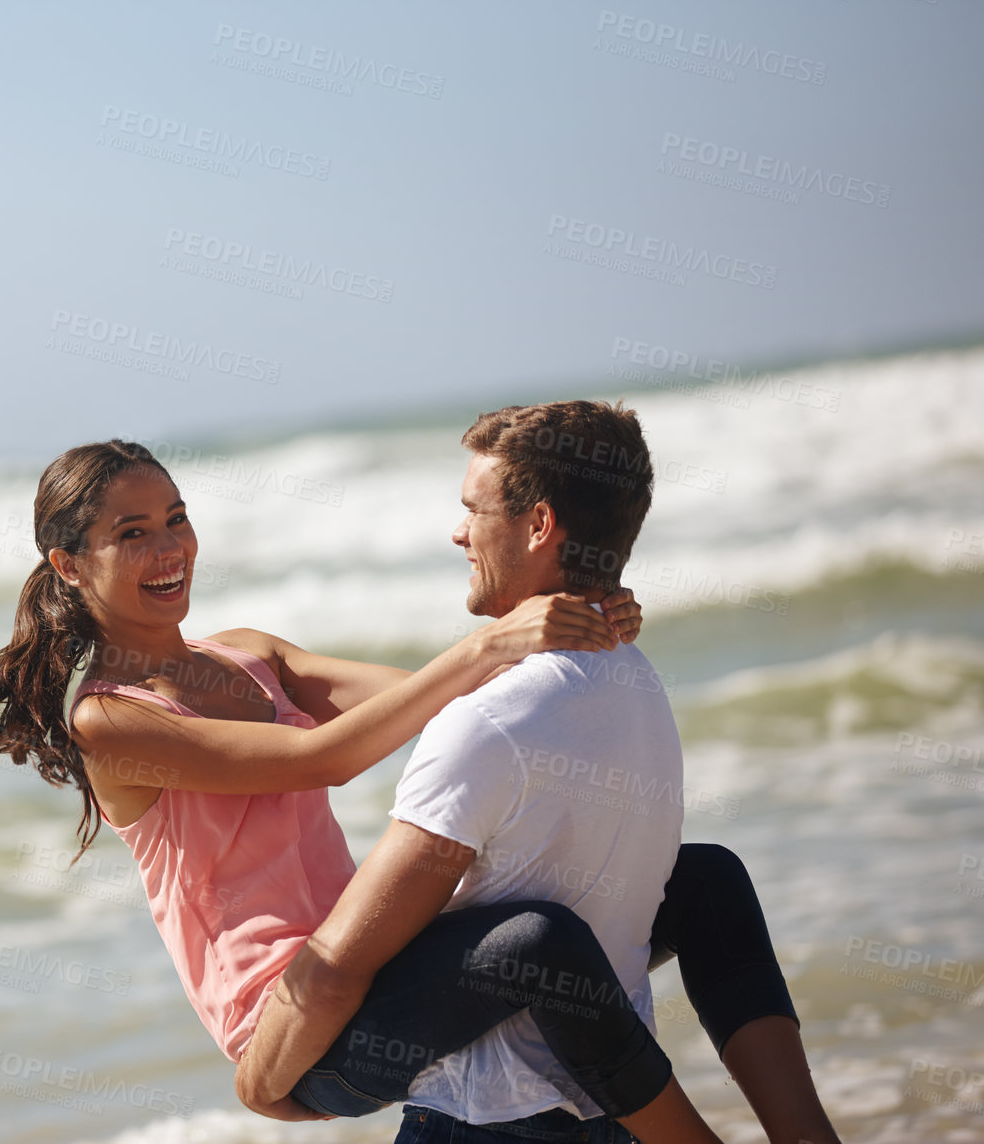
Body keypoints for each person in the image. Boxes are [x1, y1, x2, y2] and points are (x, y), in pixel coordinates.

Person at [0, 426, 837, 1142]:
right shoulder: (109, 720)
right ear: (70, 563)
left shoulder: (250, 654)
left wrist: (576, 617)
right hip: (299, 1022)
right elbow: (325, 758)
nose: (169, 547)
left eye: (176, 517)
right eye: (130, 533)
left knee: (707, 878)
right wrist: (488, 642)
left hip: (379, 964)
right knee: (530, 945)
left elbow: (449, 706)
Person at [232, 402, 841, 1143]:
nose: (458, 532)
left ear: (540, 525)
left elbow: (340, 964)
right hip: (605, 1112)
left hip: (479, 1117)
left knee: (536, 938)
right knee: (706, 877)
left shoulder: (486, 725)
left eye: (472, 510)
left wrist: (261, 1089)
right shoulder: (637, 679)